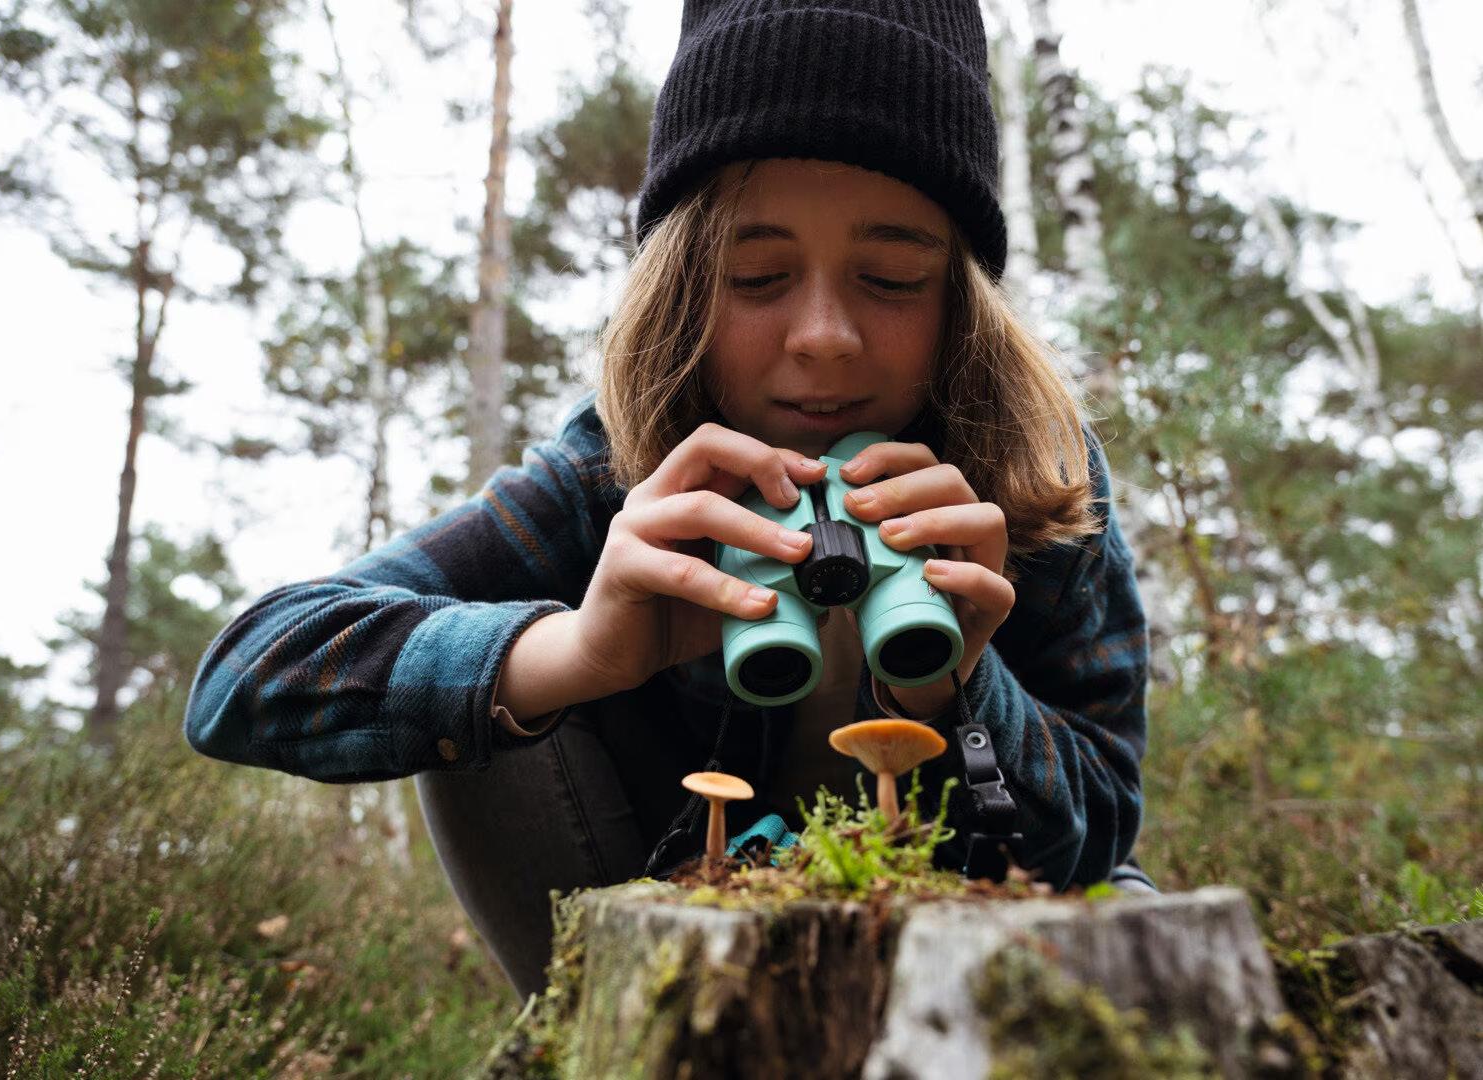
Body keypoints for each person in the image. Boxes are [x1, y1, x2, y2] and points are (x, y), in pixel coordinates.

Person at [184, 0, 1156, 1003]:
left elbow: (1099, 831)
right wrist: (574, 652)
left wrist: (956, 695)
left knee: (1141, 937)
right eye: (757, 275)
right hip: (663, 972)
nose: (824, 336)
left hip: (981, 967)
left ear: (962, 302)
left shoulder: (1034, 477)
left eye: (892, 277)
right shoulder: (614, 474)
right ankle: (602, 1042)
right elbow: (246, 676)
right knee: (481, 688)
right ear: (682, 286)